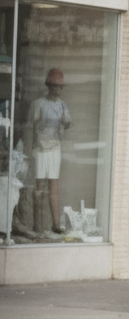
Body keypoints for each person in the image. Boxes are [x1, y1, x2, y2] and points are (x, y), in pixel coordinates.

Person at [28, 68, 71, 238]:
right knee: (39, 186)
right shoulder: (38, 103)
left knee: (54, 185)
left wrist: (64, 126)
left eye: (60, 87)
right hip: (40, 147)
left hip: (55, 148)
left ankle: (55, 224)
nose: (57, 90)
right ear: (49, 86)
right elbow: (31, 127)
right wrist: (31, 148)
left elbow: (68, 123)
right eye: (54, 86)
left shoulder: (62, 105)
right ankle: (37, 223)